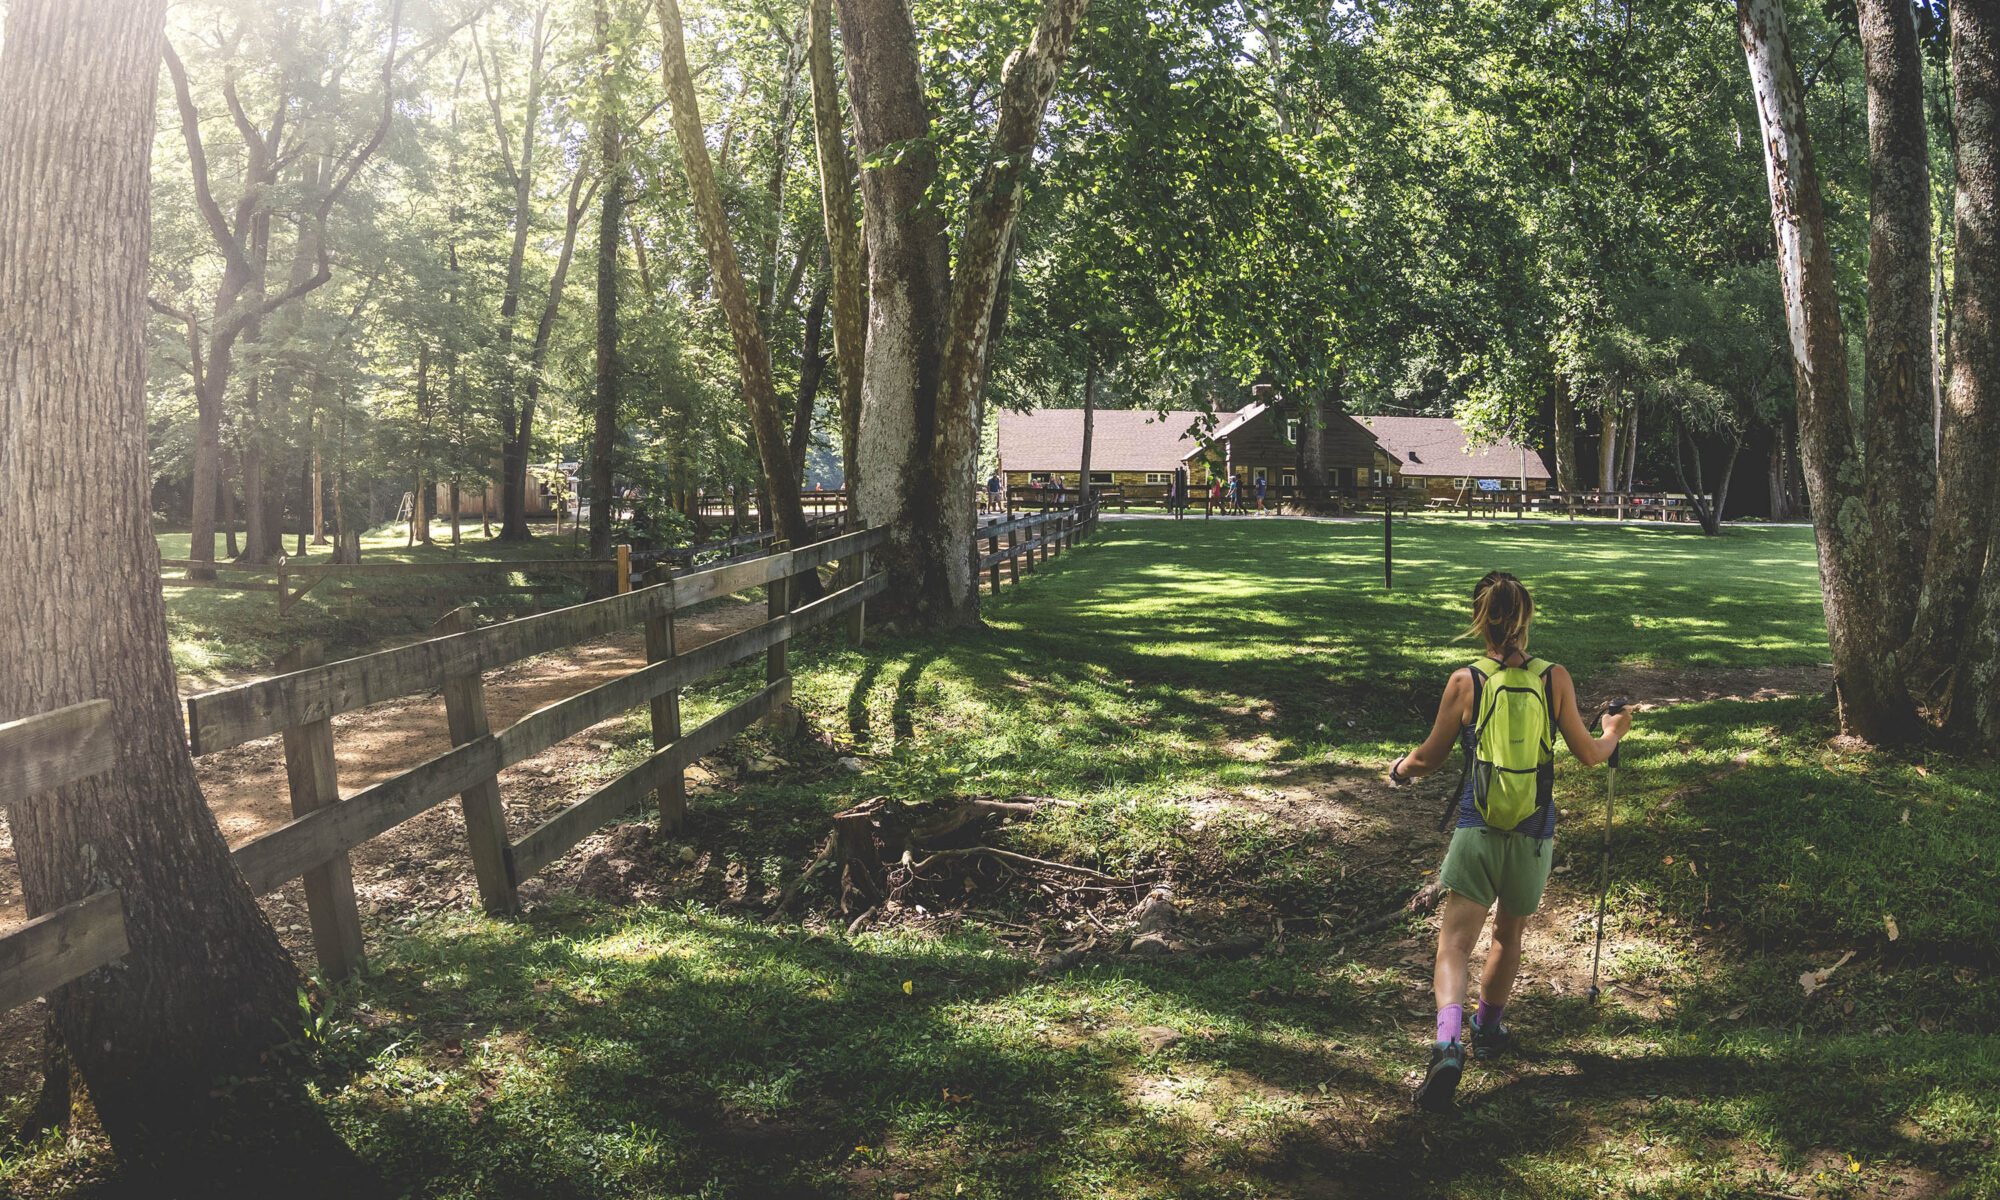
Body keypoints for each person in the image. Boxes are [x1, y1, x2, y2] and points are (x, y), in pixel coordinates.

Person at [1385, 571, 1632, 1113]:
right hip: (1533, 834)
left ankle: (1448, 1046)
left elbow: (1428, 758)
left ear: (1479, 620)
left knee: (1454, 944)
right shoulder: (1554, 678)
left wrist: (1399, 770)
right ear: (1527, 617)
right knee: (1507, 935)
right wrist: (1614, 730)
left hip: (1477, 828)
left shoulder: (1466, 681)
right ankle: (1488, 1029)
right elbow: (1591, 753)